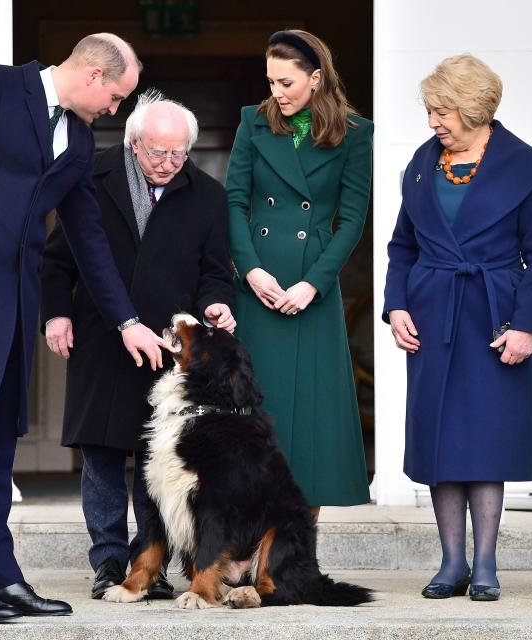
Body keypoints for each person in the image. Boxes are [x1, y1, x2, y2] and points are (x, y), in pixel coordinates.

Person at [0, 34, 171, 624]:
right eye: (118, 98)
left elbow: (88, 239)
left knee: (0, 443)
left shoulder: (75, 137)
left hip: (16, 304)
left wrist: (127, 322)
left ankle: (1, 575)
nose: (115, 111)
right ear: (95, 75)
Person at [41, 88, 235, 601]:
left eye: (179, 153)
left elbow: (216, 273)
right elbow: (57, 260)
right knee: (102, 457)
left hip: (168, 352)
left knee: (160, 461)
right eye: (158, 152)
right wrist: (56, 313)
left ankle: (152, 565)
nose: (169, 163)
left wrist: (216, 304)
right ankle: (108, 563)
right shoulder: (91, 180)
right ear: (132, 142)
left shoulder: (208, 196)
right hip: (103, 338)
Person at [382, 54, 532, 602]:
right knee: (440, 438)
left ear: (475, 108)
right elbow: (402, 246)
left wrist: (526, 326)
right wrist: (396, 306)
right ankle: (450, 562)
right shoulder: (421, 163)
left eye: (444, 110)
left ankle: (485, 565)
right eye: (432, 110)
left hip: (492, 316)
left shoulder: (522, 167)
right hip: (432, 315)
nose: (434, 121)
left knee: (485, 437)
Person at [225, 30, 373, 518]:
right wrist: (251, 270)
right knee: (253, 413)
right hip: (260, 289)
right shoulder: (253, 122)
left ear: (315, 77)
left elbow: (352, 218)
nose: (277, 93)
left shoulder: (354, 132)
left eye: (286, 82)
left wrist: (314, 282)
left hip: (313, 289)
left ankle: (297, 551)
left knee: (311, 421)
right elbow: (235, 201)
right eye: (271, 82)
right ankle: (243, 549)